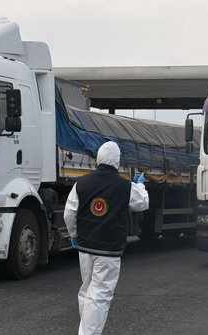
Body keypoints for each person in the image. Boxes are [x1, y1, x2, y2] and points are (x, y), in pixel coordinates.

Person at [64, 141, 149, 335]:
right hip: (109, 251)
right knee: (100, 296)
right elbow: (142, 203)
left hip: (85, 248)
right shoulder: (124, 186)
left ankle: (84, 330)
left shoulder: (81, 183)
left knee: (87, 291)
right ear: (116, 162)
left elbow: (69, 214)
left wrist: (74, 235)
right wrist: (140, 186)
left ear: (99, 159)